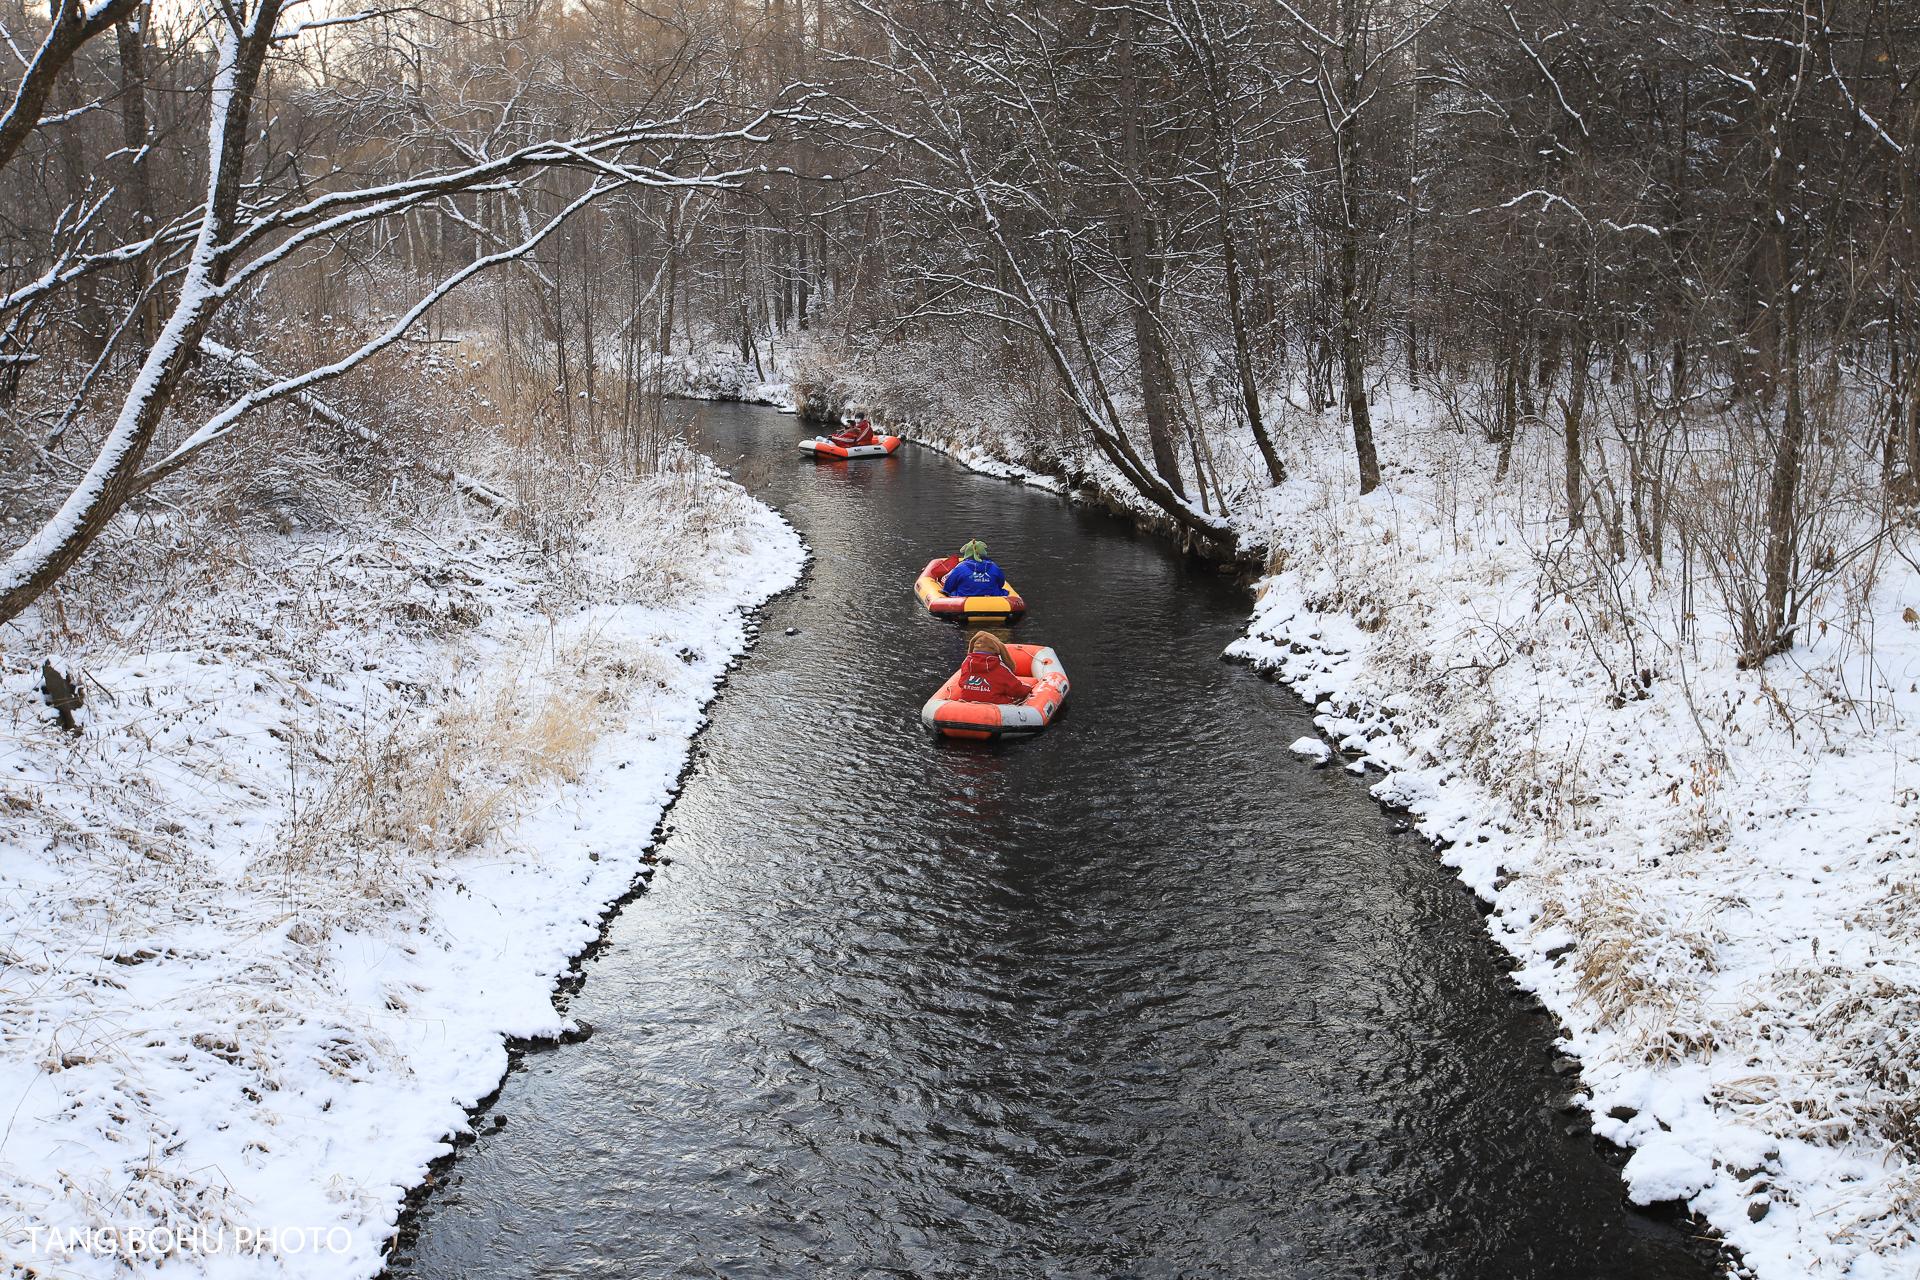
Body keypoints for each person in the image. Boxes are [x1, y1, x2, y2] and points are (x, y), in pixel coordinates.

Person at [955, 630, 1028, 704]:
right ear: (996, 650)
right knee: (1014, 698)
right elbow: (1017, 690)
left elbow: (961, 683)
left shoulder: (966, 664)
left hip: (966, 703)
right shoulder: (1001, 668)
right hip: (994, 707)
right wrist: (1029, 689)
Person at [940, 539, 1008, 598]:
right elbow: (1001, 583)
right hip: (993, 597)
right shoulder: (994, 566)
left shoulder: (960, 567)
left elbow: (948, 587)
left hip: (964, 597)